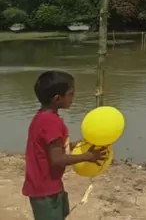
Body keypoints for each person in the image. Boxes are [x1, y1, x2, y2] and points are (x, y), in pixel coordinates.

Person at [23, 71, 106, 220]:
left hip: (46, 186)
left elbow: (51, 147)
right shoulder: (52, 122)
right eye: (71, 94)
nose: (73, 98)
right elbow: (57, 159)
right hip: (46, 190)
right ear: (57, 99)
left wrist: (78, 144)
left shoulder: (42, 117)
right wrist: (89, 156)